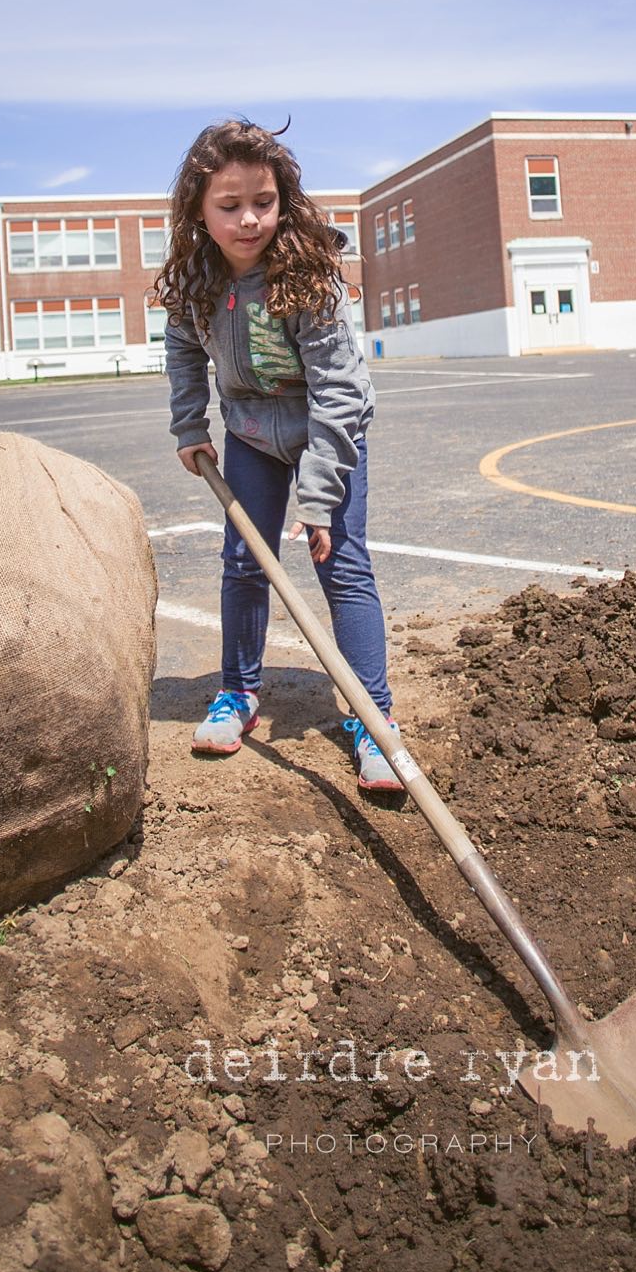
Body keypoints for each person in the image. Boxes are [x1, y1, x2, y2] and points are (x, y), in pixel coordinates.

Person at [156, 118, 402, 792]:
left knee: (342, 563)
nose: (249, 219)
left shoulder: (307, 276)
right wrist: (189, 424)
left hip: (330, 431)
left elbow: (340, 393)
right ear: (199, 211)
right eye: (229, 205)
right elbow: (181, 350)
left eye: (262, 202)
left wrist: (320, 499)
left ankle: (374, 719)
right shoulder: (195, 280)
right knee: (243, 561)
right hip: (251, 437)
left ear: (282, 200)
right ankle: (238, 692)